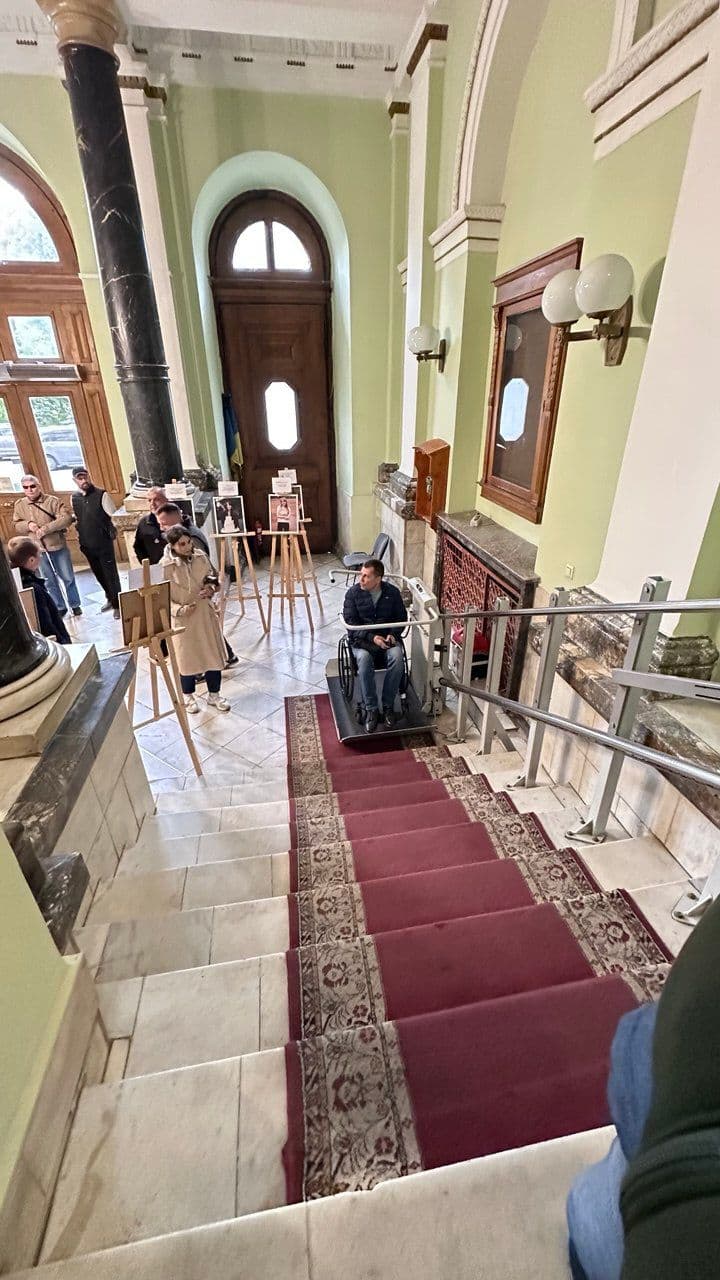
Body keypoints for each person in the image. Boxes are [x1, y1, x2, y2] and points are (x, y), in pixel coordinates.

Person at [154, 502, 238, 668]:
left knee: (206, 643)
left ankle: (218, 662)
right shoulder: (167, 559)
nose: (161, 527)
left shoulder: (194, 545)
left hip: (199, 606)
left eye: (164, 523)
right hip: (185, 610)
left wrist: (211, 587)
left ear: (176, 520)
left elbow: (210, 574)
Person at [162, 524, 231, 714]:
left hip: (203, 613)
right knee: (187, 660)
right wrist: (179, 610)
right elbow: (161, 597)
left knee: (212, 656)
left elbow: (213, 576)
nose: (187, 547)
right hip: (184, 621)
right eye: (182, 544)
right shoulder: (165, 567)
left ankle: (214, 694)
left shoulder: (200, 556)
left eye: (189, 542)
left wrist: (211, 588)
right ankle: (188, 697)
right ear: (173, 546)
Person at [343, 557, 407, 733]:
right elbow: (351, 624)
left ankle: (387, 706)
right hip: (362, 642)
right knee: (363, 660)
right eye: (361, 575)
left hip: (387, 640)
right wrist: (373, 638)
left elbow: (401, 618)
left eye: (366, 576)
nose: (360, 579)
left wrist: (393, 636)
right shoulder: (353, 594)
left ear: (378, 579)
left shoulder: (392, 593)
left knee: (397, 657)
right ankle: (371, 708)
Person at [13, 474, 82, 617]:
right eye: (26, 487)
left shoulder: (53, 501)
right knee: (48, 580)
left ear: (39, 486)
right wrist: (28, 525)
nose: (30, 490)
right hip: (37, 549)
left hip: (56, 545)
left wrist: (46, 529)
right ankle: (59, 606)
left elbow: (66, 519)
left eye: (33, 486)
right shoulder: (20, 505)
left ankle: (75, 604)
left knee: (67, 576)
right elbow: (16, 524)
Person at [71, 466, 121, 618]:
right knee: (98, 573)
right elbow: (78, 517)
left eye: (85, 477)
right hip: (87, 543)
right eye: (80, 478)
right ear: (75, 480)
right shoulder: (74, 498)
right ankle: (109, 598)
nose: (84, 480)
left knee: (110, 574)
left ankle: (117, 604)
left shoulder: (102, 495)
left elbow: (113, 516)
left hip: (103, 542)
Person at [7, 536, 71, 644]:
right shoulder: (33, 589)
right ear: (31, 560)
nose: (41, 556)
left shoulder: (12, 582)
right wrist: (63, 643)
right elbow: (46, 624)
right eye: (39, 554)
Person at [132, 486, 168, 565]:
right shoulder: (144, 523)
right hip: (155, 568)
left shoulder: (175, 519)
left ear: (166, 500)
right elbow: (138, 546)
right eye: (149, 500)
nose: (152, 504)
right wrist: (147, 564)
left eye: (156, 499)